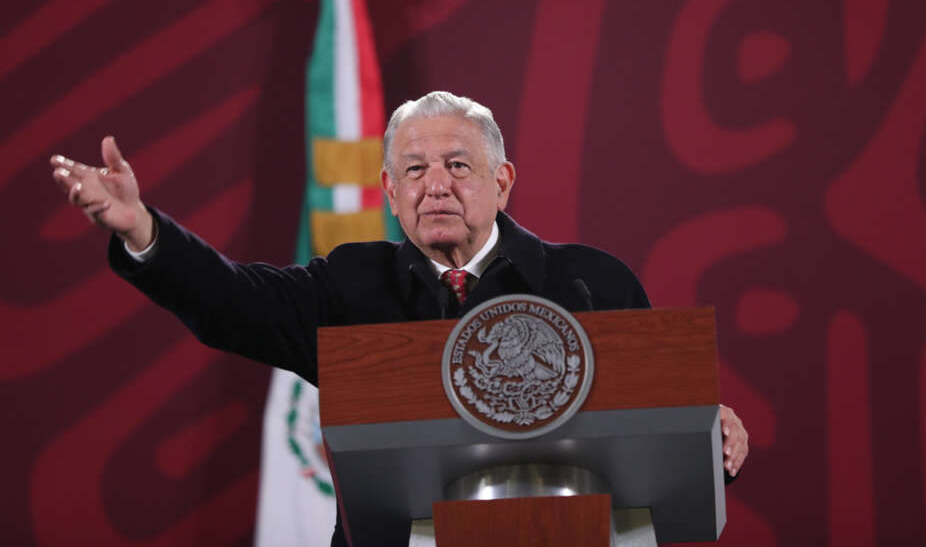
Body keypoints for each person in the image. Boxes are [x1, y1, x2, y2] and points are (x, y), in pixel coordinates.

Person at [51, 91, 749, 543]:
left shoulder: (589, 282)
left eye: (457, 164)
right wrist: (142, 228)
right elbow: (232, 301)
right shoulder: (352, 286)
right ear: (389, 190)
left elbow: (659, 415)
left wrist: (707, 427)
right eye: (413, 170)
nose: (435, 183)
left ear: (501, 182)